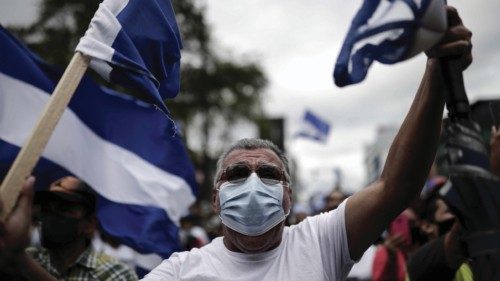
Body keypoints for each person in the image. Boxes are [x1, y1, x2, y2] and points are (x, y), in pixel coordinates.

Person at [0, 6, 472, 281]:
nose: (252, 181)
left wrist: (434, 71)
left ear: (289, 198)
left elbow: (396, 184)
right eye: (236, 173)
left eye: (269, 173)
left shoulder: (320, 241)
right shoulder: (184, 269)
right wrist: (15, 259)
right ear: (215, 196)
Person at [0, 176, 138, 280]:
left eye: (64, 209)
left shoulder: (114, 272)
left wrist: (21, 260)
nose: (53, 216)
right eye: (47, 209)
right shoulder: (21, 259)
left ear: (89, 224)